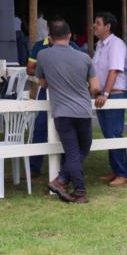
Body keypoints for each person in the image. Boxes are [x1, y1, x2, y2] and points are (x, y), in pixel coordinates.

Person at [35, 19, 101, 204]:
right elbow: (95, 87)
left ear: (50, 37)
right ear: (70, 36)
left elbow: (42, 82)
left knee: (72, 151)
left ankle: (62, 181)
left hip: (62, 111)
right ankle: (78, 191)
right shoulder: (84, 57)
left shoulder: (42, 55)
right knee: (83, 148)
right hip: (82, 110)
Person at [26, 20, 83, 177]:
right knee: (40, 128)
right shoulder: (40, 46)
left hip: (66, 93)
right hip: (47, 93)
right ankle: (34, 167)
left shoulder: (73, 47)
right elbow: (29, 68)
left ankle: (66, 168)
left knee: (67, 131)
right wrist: (47, 72)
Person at [92, 11, 127, 186]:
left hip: (113, 95)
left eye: (98, 23)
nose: (94, 26)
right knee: (108, 133)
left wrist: (105, 93)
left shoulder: (116, 44)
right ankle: (116, 170)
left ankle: (123, 172)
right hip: (102, 95)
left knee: (114, 133)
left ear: (107, 27)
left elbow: (114, 71)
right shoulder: (100, 45)